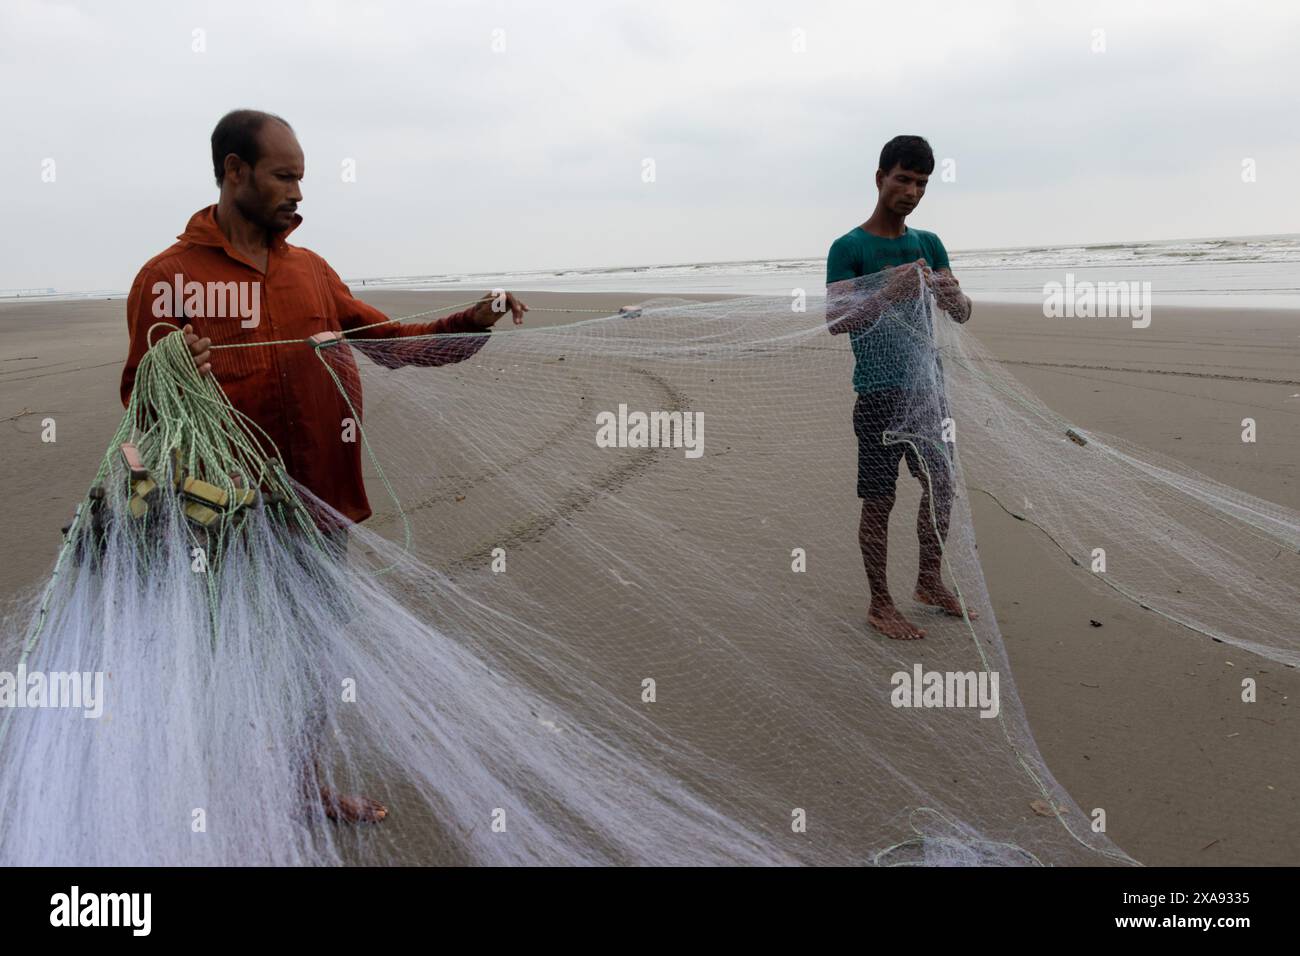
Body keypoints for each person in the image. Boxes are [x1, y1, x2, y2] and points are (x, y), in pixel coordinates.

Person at [119, 109, 529, 822]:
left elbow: (393, 343)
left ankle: (304, 787)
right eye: (284, 176)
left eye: (302, 178)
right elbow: (140, 401)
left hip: (319, 508)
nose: (298, 193)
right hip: (225, 514)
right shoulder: (168, 278)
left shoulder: (312, 273)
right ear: (234, 171)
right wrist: (172, 366)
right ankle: (206, 799)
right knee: (234, 654)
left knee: (311, 659)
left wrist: (473, 319)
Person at [824, 135, 974, 641]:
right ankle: (880, 603)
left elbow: (961, 312)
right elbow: (836, 319)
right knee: (879, 501)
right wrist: (889, 290)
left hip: (927, 392)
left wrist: (956, 296)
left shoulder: (928, 244)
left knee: (942, 489)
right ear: (880, 177)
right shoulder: (849, 248)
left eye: (922, 183)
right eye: (904, 179)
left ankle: (929, 581)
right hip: (878, 396)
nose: (912, 192)